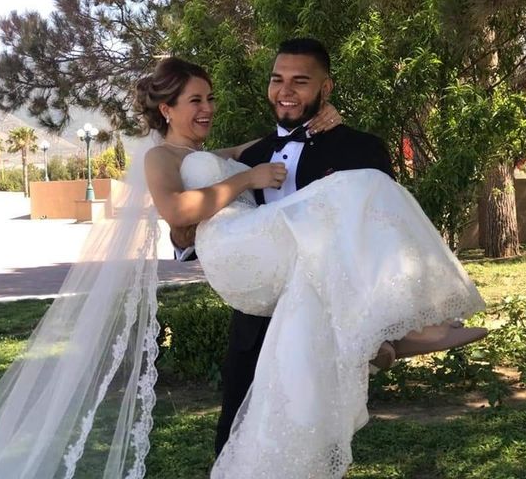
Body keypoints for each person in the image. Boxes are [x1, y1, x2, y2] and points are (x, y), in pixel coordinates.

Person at [139, 40, 487, 477]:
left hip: (313, 300)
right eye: (277, 80)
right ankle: (380, 340)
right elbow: (186, 225)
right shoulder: (248, 158)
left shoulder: (358, 148)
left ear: (325, 88)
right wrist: (205, 212)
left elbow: (376, 233)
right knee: (236, 434)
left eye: (300, 82)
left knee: (311, 433)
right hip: (255, 312)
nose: (285, 90)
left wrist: (328, 124)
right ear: (168, 109)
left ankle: (385, 331)